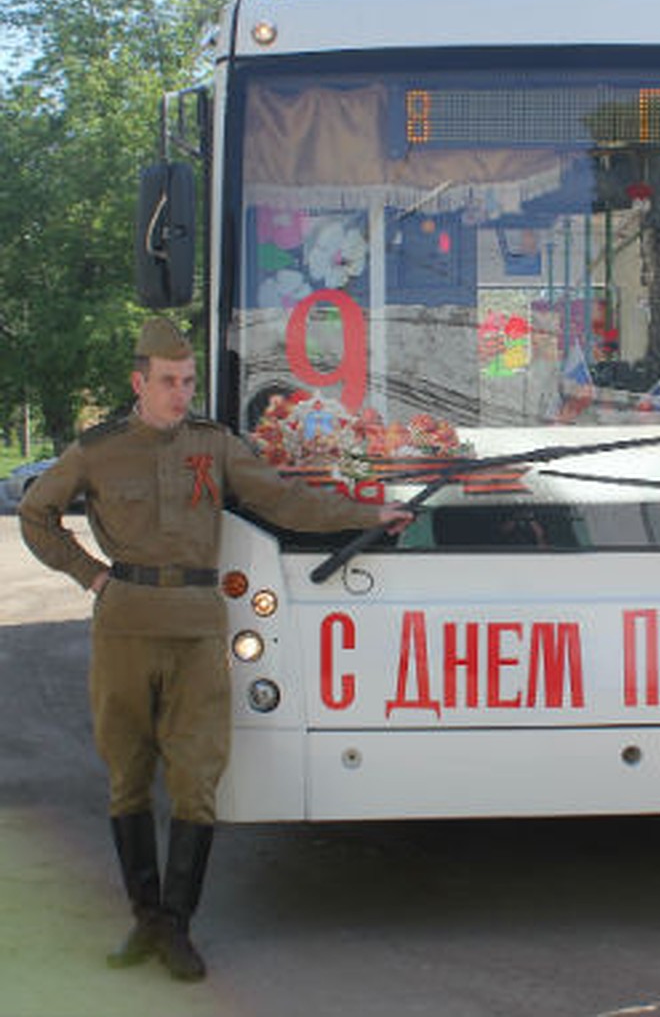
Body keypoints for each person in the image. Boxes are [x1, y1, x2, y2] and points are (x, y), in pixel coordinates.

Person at [19, 316, 412, 982]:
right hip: (125, 624)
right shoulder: (98, 450)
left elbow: (284, 502)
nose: (181, 393)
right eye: (169, 382)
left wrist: (365, 516)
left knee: (197, 778)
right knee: (127, 775)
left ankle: (177, 924)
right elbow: (35, 514)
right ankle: (145, 918)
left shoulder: (216, 445)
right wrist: (88, 573)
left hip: (200, 625)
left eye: (189, 381)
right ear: (139, 382)